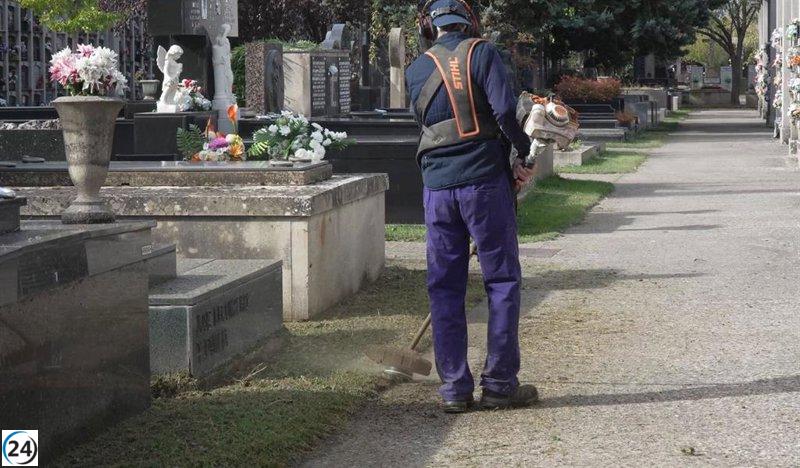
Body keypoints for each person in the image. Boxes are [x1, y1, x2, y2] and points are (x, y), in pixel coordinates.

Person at [406, 0, 538, 413]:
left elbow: (423, 121)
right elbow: (502, 110)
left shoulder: (415, 69)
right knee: (500, 280)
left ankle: (454, 389)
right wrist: (524, 154)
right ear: (470, 22)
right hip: (483, 183)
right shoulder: (483, 53)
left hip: (437, 188)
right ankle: (499, 383)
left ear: (430, 27)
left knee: (444, 286)